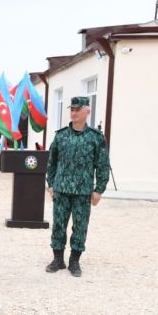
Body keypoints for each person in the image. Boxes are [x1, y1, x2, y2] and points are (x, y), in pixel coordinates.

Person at [45, 96, 110, 277]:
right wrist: (50, 184)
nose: (73, 113)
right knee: (58, 224)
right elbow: (52, 162)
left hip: (83, 191)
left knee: (80, 226)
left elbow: (103, 165)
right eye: (72, 109)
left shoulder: (96, 138)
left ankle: (74, 261)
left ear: (87, 111)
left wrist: (99, 190)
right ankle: (58, 259)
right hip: (62, 188)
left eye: (77, 109)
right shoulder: (61, 135)